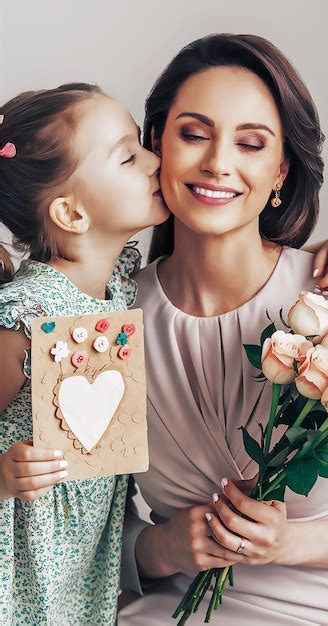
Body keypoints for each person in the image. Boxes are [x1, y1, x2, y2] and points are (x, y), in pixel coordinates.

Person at [119, 34, 328, 625]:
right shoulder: (108, 326)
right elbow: (69, 536)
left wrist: (290, 543)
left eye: (250, 144)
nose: (218, 162)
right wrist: (164, 546)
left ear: (280, 172)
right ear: (156, 146)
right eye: (193, 134)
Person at [0, 83, 168, 625]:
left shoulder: (120, 286)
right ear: (71, 214)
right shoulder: (25, 315)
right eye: (128, 155)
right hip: (18, 560)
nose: (155, 160)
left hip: (83, 562)